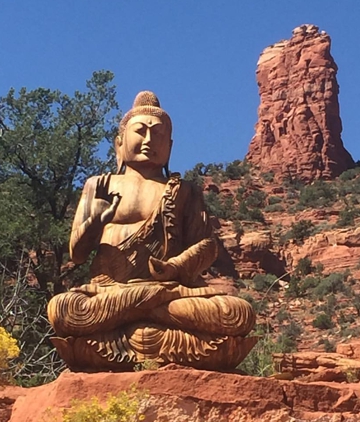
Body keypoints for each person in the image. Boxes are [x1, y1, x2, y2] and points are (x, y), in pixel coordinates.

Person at [47, 91, 256, 371]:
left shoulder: (184, 191)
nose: (148, 141)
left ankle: (143, 310)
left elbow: (207, 246)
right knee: (65, 310)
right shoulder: (99, 185)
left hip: (168, 292)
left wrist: (174, 268)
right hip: (109, 292)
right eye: (140, 131)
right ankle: (147, 308)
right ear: (119, 144)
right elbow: (78, 254)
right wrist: (95, 221)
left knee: (237, 313)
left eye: (158, 135)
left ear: (169, 146)